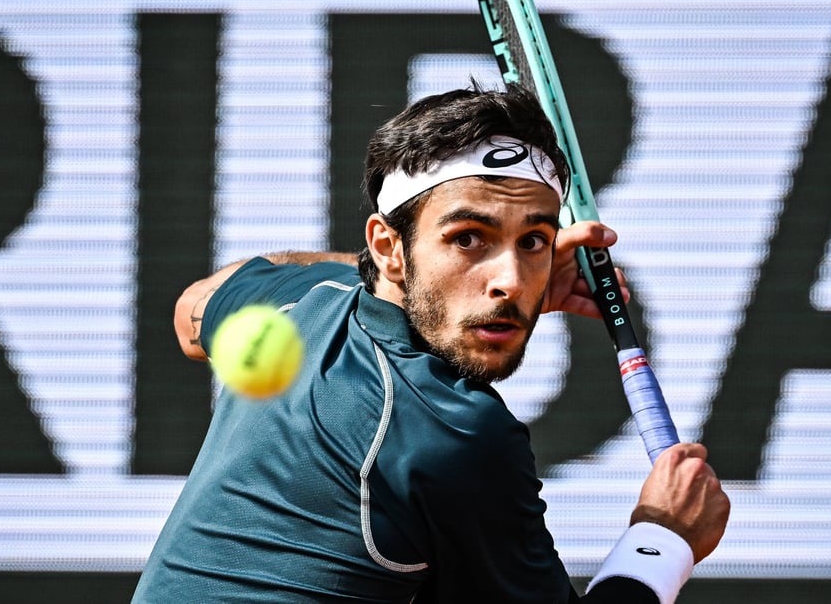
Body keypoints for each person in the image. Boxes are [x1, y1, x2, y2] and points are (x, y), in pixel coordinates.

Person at [133, 85, 730, 603]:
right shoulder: (453, 434)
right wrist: (663, 537)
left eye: (534, 241)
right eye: (469, 238)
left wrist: (420, 282)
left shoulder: (300, 302)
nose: (512, 282)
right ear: (390, 247)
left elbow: (194, 308)